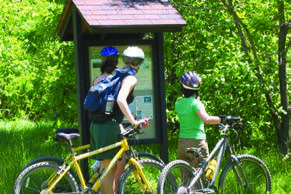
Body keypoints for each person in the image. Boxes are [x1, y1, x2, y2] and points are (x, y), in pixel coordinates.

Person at [89, 46, 148, 194]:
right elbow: (121, 100)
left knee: (105, 168)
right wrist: (134, 122)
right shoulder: (130, 78)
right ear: (138, 65)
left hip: (97, 124)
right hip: (108, 126)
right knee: (109, 169)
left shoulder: (116, 74)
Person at [175, 71, 222, 174]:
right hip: (197, 143)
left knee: (186, 177)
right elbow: (206, 119)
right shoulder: (196, 104)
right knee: (201, 176)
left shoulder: (178, 104)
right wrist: (221, 119)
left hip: (182, 143)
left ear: (182, 88)